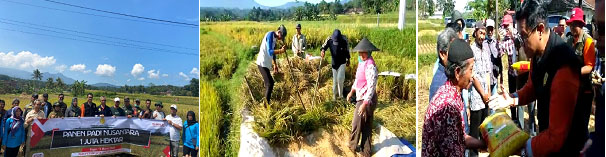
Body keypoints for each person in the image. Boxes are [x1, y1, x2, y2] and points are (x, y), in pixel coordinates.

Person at [497, 0, 591, 155]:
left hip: (566, 149)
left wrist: (523, 148)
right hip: (548, 140)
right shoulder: (538, 54)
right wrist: (513, 99)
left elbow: (556, 137)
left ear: (540, 30)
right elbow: (532, 87)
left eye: (523, 36)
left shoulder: (563, 65)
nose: (520, 44)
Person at [423, 39, 486, 157]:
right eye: (471, 69)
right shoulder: (449, 107)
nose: (473, 76)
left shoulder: (451, 92)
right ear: (457, 72)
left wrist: (483, 144)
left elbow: (460, 137)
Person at [344, 38, 378, 157]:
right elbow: (358, 80)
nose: (359, 54)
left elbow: (371, 87)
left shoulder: (370, 67)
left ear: (366, 53)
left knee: (357, 123)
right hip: (362, 97)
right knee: (366, 126)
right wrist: (351, 91)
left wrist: (364, 104)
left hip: (366, 99)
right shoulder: (362, 63)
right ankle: (366, 151)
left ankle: (352, 146)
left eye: (361, 52)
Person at [566, 7, 596, 121]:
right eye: (571, 24)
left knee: (581, 123)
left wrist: (574, 72)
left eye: (575, 24)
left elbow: (589, 66)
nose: (572, 27)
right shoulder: (569, 41)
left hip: (584, 90)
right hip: (571, 88)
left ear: (581, 25)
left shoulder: (588, 41)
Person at [468, 21, 491, 157]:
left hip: (485, 96)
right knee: (475, 131)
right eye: (480, 33)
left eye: (484, 33)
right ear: (475, 32)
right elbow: (473, 75)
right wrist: (482, 93)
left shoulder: (485, 48)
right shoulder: (471, 49)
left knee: (484, 127)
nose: (482, 36)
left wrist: (487, 91)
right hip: (477, 97)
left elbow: (487, 72)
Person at [255, 25, 287, 105]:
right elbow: (270, 51)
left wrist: (275, 65)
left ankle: (266, 102)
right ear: (279, 32)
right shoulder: (270, 35)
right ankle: (265, 105)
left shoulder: (274, 39)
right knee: (270, 83)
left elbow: (273, 54)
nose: (280, 39)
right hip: (262, 63)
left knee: (269, 83)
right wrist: (281, 51)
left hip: (266, 64)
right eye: (281, 36)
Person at [321, 29, 351, 100]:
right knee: (335, 81)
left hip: (342, 62)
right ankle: (334, 97)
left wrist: (348, 59)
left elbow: (347, 50)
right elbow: (324, 47)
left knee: (340, 79)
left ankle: (341, 96)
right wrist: (323, 51)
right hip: (334, 63)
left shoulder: (344, 40)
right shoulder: (329, 39)